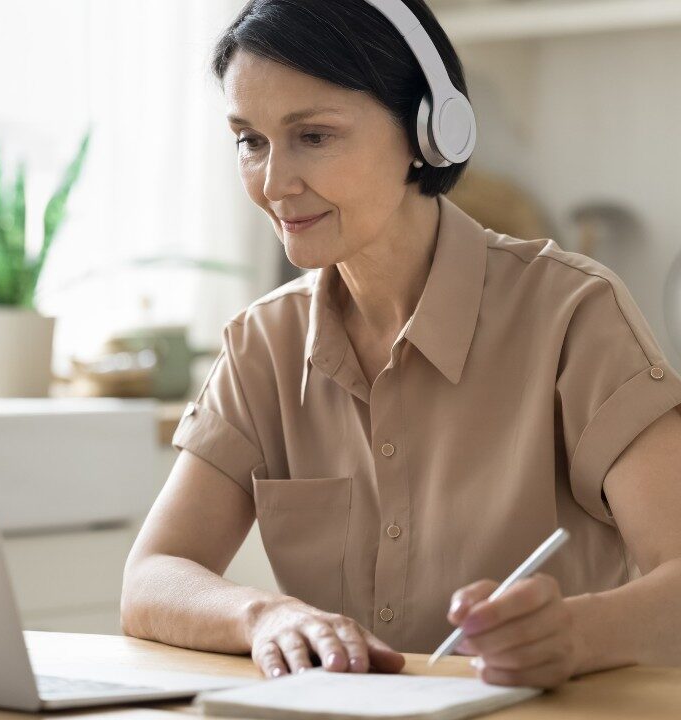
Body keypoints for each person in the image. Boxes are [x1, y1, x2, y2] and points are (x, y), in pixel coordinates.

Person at [120, 0, 681, 689]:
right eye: (251, 141)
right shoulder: (262, 344)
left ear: (429, 129)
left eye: (314, 137)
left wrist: (576, 635)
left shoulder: (572, 314)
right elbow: (151, 578)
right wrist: (262, 616)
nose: (273, 183)